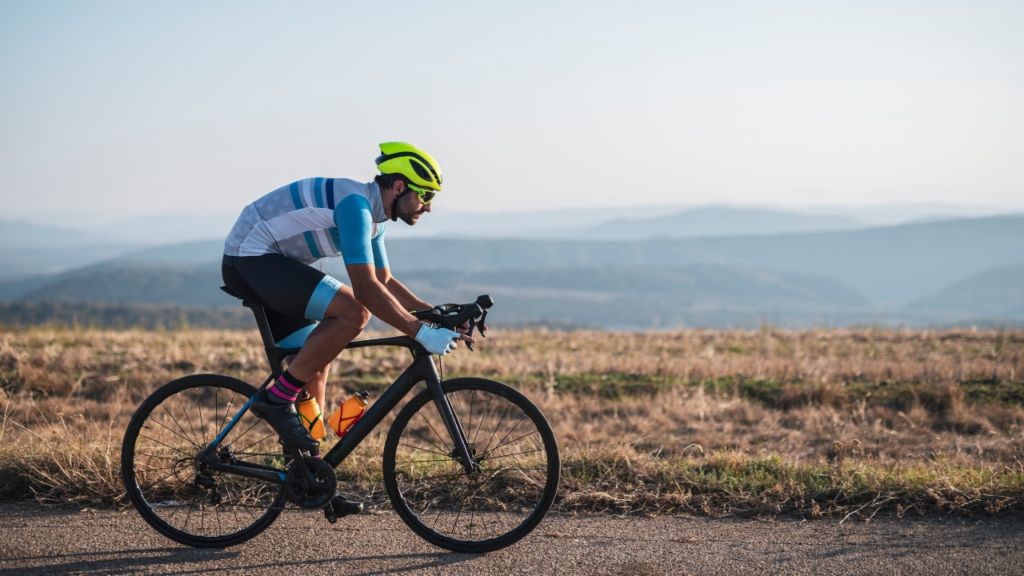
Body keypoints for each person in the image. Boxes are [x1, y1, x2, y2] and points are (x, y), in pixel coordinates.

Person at [221, 142, 476, 518]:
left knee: (313, 367)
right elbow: (366, 290)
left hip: (273, 264)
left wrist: (435, 315)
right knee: (354, 313)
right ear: (399, 187)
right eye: (426, 195)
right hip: (250, 258)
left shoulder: (374, 218)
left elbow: (384, 281)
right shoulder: (356, 206)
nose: (429, 206)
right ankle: (275, 400)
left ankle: (309, 477)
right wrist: (420, 332)